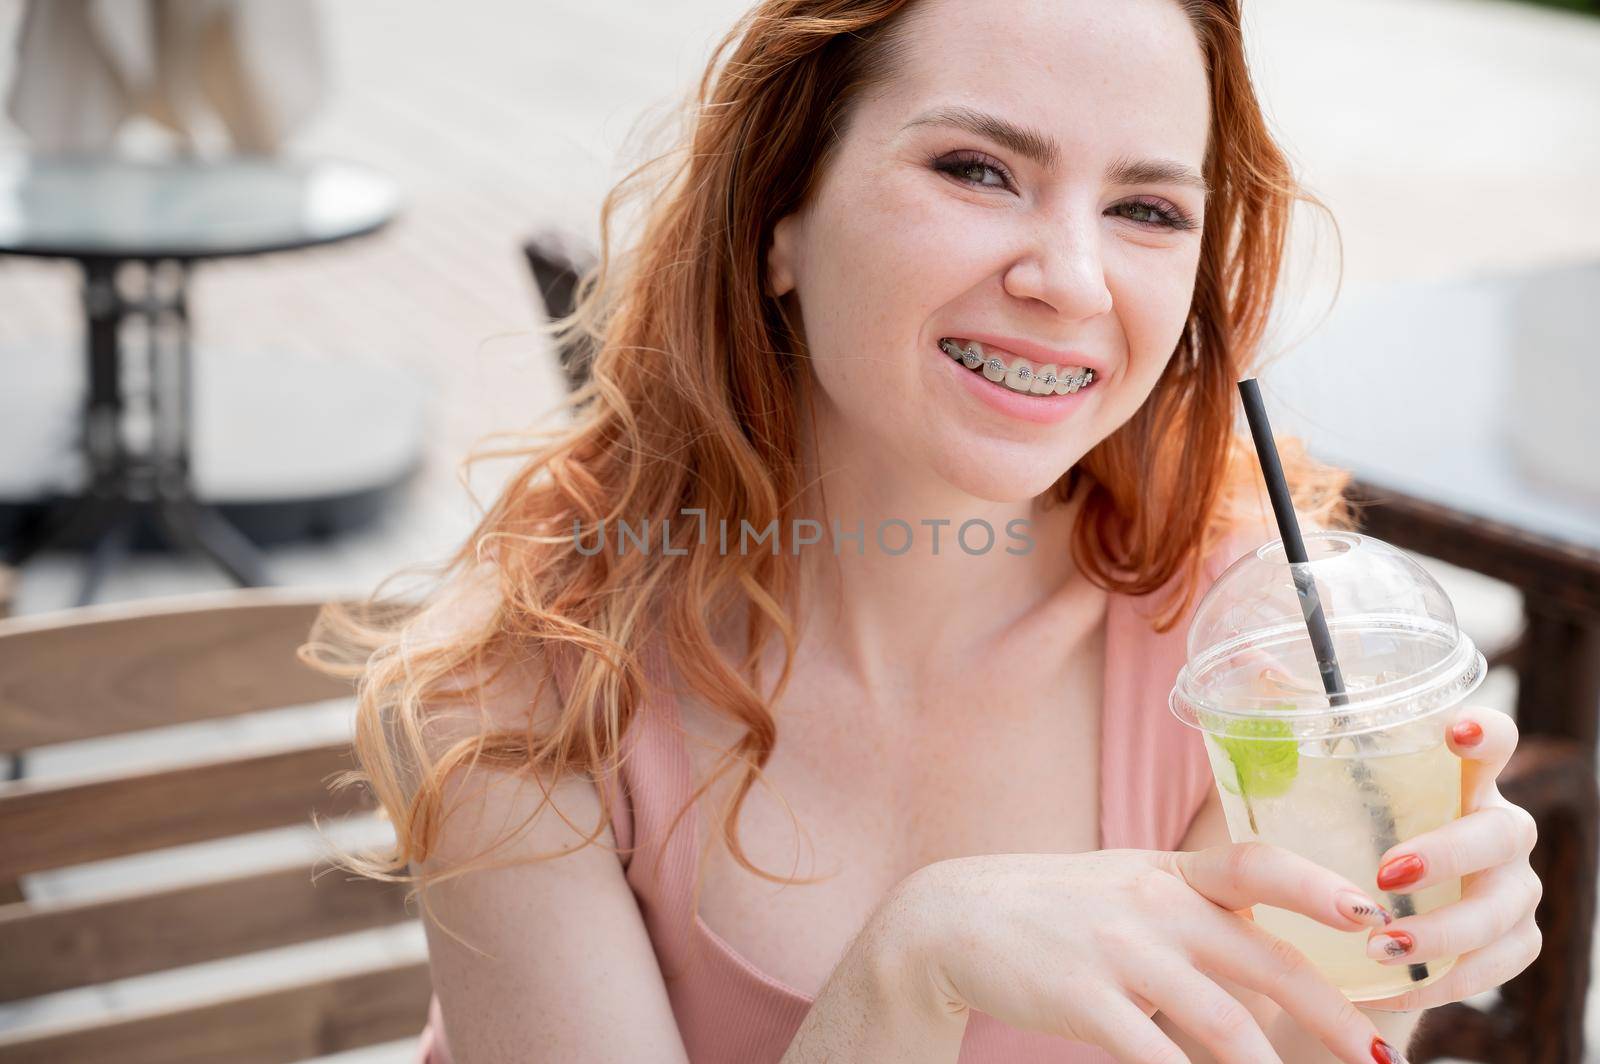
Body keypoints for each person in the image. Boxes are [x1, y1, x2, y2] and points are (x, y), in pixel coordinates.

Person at [303, 1, 1542, 1061]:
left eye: (1148, 210)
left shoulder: (1249, 656)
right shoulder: (524, 694)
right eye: (976, 169)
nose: (1072, 279)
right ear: (779, 214)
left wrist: (1391, 956)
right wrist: (911, 966)